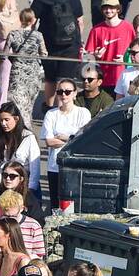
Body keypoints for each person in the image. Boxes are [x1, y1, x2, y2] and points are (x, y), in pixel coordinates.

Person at [31, 0, 85, 112]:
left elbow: (31, 21)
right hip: (70, 45)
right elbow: (80, 22)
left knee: (49, 79)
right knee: (65, 80)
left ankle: (48, 108)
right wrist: (78, 41)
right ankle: (62, 110)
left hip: (48, 45)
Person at [40, 77, 90, 207]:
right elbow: (49, 142)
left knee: (74, 204)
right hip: (54, 166)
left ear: (74, 93)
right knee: (55, 205)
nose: (63, 95)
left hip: (76, 165)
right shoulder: (51, 114)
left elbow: (85, 140)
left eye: (67, 92)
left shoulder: (83, 113)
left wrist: (64, 137)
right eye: (60, 92)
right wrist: (72, 139)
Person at [4, 9, 48, 123]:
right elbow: (44, 54)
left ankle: (17, 125)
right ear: (33, 20)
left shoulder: (13, 34)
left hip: (17, 71)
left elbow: (3, 55)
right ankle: (27, 126)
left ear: (20, 19)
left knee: (16, 102)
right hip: (32, 72)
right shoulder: (38, 35)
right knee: (29, 103)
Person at [84, 0, 135, 91]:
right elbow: (87, 57)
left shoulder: (128, 28)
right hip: (102, 80)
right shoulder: (96, 30)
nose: (108, 10)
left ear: (118, 9)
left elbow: (135, 51)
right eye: (105, 8)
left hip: (123, 78)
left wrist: (125, 60)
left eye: (111, 8)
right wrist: (95, 56)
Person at [0, 103, 42, 193]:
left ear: (16, 119)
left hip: (24, 185)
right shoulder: (0, 138)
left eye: (6, 120)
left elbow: (35, 168)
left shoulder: (28, 137)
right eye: (1, 120)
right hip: (6, 185)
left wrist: (30, 191)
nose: (3, 124)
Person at [0, 158, 44, 223]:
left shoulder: (29, 198)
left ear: (21, 179)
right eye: (5, 175)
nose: (8, 178)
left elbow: (39, 222)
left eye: (12, 176)